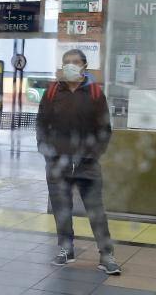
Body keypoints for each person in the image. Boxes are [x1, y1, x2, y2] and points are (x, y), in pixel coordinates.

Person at [36, 48, 121, 275]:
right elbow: (41, 123)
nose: (70, 66)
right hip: (57, 162)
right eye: (66, 62)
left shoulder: (94, 93)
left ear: (84, 66)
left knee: (96, 210)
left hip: (87, 162)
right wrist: (47, 152)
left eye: (75, 62)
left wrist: (94, 154)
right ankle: (66, 249)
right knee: (61, 208)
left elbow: (104, 129)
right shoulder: (53, 91)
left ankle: (106, 254)